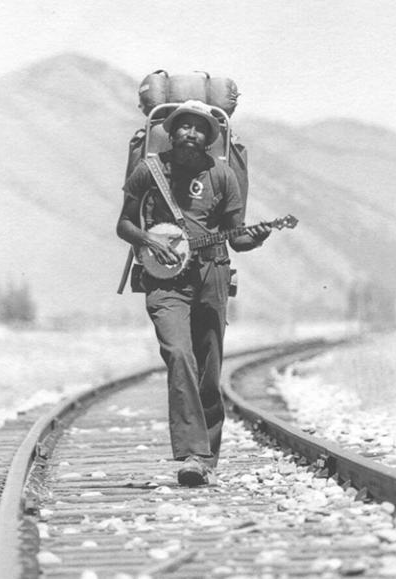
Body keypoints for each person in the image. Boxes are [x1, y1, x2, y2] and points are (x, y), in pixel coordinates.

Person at [116, 100, 271, 486]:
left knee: (209, 365)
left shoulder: (222, 176)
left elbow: (237, 237)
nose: (190, 133)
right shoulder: (148, 170)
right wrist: (148, 237)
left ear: (208, 138)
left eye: (199, 128)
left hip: (211, 273)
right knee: (179, 354)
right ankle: (192, 454)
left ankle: (207, 458)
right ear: (171, 131)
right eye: (183, 126)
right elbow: (124, 223)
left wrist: (256, 238)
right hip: (165, 279)